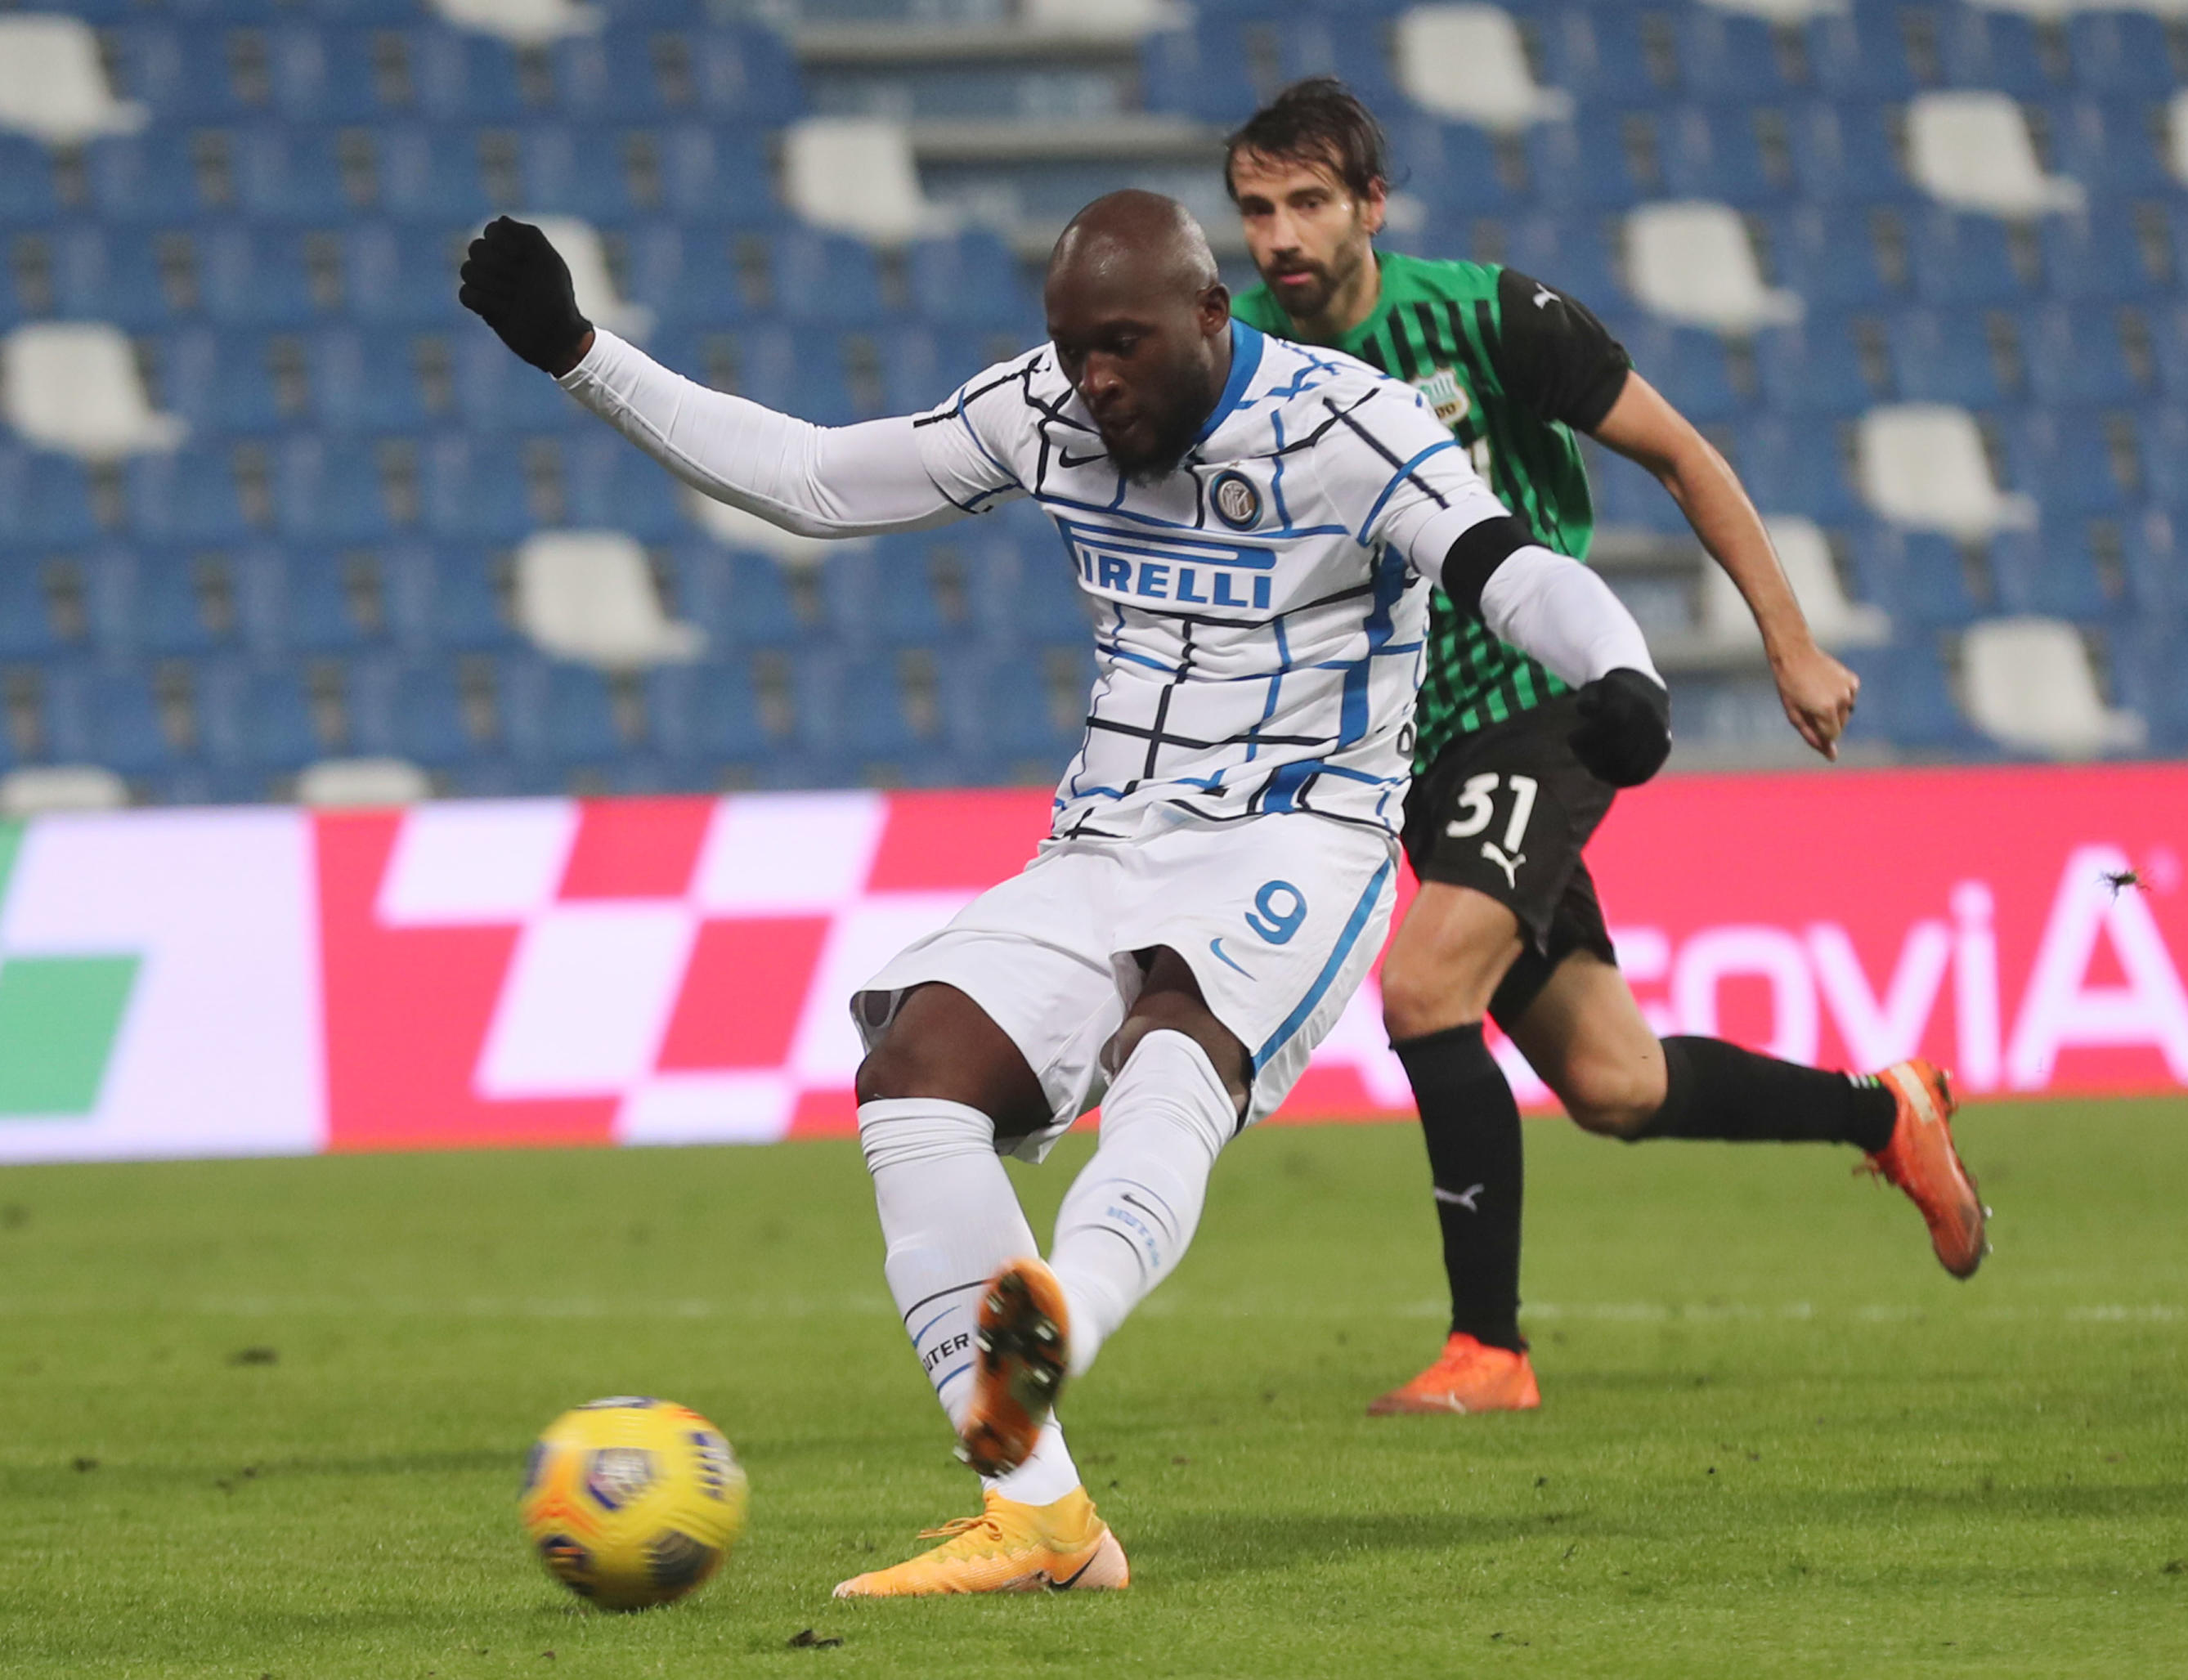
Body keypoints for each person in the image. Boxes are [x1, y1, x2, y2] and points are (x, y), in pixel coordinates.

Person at [459, 190, 1676, 1596]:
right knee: (914, 1072)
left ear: (1212, 318)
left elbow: (1509, 570)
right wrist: (575, 350)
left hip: (1300, 831)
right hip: (1106, 835)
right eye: (1073, 348)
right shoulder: (1045, 411)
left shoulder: (1352, 425)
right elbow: (810, 478)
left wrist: (1623, 673)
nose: (1096, 381)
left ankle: (1056, 1318)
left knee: (1174, 1054)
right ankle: (1042, 1521)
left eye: (1123, 347)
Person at [1224, 79, 1988, 1418]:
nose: (1279, 236)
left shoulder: (1488, 317)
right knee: (1616, 1086)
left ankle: (1489, 1353)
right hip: (1412, 756)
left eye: (1306, 204)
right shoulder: (1239, 355)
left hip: (1544, 708)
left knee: (1422, 992)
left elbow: (1682, 456)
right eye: (1254, 210)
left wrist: (1790, 644)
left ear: (1370, 209)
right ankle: (1890, 1113)